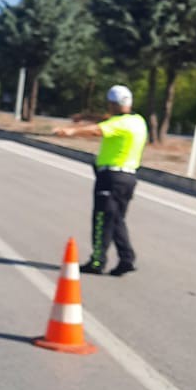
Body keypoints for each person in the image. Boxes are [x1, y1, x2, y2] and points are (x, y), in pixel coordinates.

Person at [53, 83, 148, 276]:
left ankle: (97, 261)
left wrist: (71, 131)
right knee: (116, 219)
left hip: (111, 178)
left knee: (101, 218)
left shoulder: (118, 125)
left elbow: (97, 130)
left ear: (112, 104)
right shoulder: (137, 121)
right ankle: (126, 259)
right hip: (128, 177)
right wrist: (85, 118)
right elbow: (106, 120)